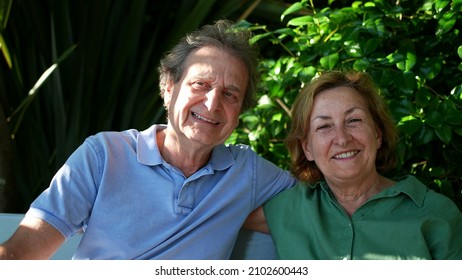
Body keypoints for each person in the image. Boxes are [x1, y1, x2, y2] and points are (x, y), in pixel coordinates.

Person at [0, 20, 296, 260]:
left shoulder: (247, 173)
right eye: (200, 84)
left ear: (240, 110)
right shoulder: (103, 156)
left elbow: (326, 203)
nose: (212, 104)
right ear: (168, 87)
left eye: (230, 94)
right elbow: (21, 252)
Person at [247, 70, 462, 260]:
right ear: (307, 149)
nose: (342, 139)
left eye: (354, 120)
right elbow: (216, 213)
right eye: (324, 126)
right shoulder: (288, 208)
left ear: (377, 134)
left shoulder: (436, 214)